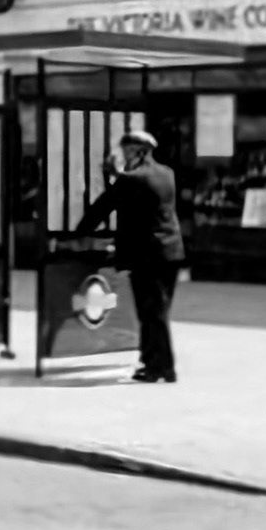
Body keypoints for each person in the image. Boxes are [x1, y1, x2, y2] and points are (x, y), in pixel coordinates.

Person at [75, 129, 186, 383]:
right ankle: (151, 363)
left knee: (151, 314)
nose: (123, 156)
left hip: (148, 257)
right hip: (171, 253)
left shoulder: (132, 180)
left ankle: (164, 368)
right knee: (158, 312)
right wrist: (116, 175)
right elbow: (143, 195)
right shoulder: (166, 174)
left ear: (137, 152)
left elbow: (103, 206)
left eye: (126, 151)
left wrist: (77, 232)